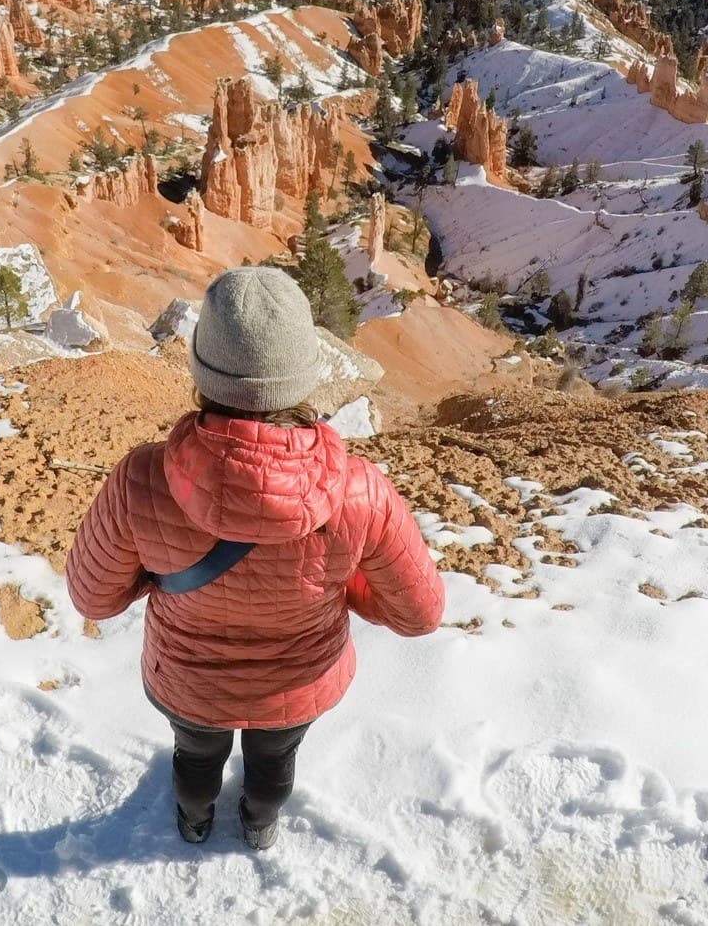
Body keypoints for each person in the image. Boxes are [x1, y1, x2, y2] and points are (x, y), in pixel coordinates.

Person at [64, 266, 444, 850]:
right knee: (274, 761)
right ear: (305, 374)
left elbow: (94, 598)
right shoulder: (361, 490)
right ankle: (260, 825)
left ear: (201, 370)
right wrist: (340, 589)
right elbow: (419, 615)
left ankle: (193, 822)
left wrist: (158, 573)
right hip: (299, 682)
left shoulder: (142, 478)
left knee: (195, 756)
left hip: (187, 679)